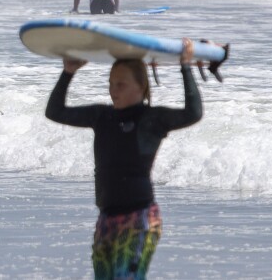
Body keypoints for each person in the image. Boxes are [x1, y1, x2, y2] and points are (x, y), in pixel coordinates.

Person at [45, 39, 203, 280]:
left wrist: (186, 66)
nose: (113, 90)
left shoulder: (152, 119)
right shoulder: (101, 116)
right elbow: (55, 112)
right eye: (110, 83)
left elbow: (193, 113)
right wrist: (68, 72)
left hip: (139, 220)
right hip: (106, 219)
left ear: (141, 87)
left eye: (121, 84)